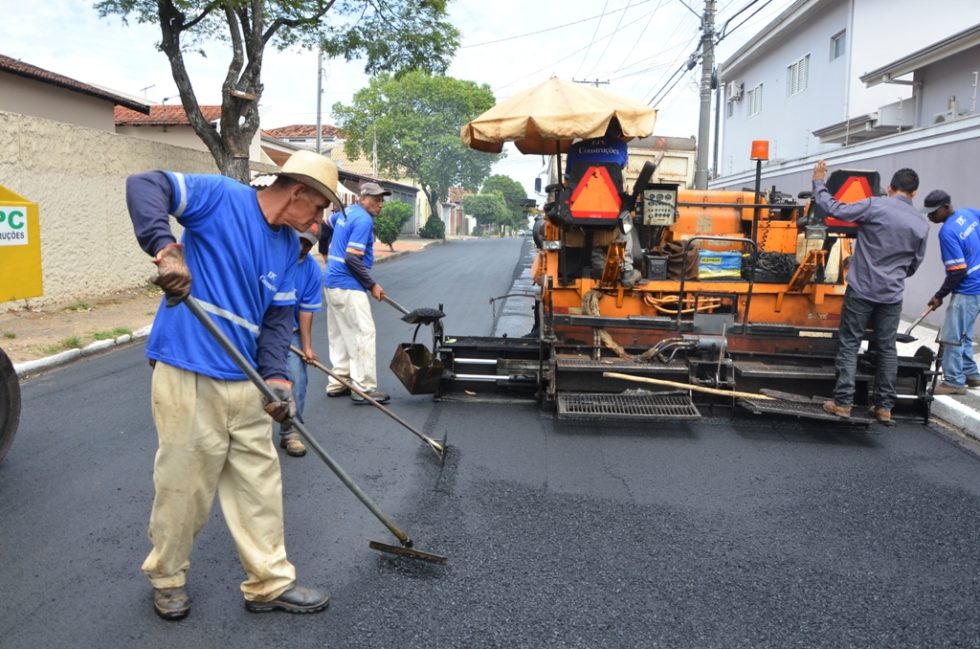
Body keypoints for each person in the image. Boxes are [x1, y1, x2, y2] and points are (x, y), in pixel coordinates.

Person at [126, 149, 337, 620]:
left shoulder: (287, 247)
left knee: (259, 485)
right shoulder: (221, 197)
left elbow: (279, 318)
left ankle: (269, 583)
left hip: (246, 380)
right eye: (320, 207)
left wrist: (278, 379)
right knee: (185, 486)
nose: (318, 219)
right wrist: (167, 249)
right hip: (188, 367)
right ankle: (167, 578)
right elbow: (145, 185)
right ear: (298, 191)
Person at [812, 160, 929, 424]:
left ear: (890, 188)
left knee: (850, 343)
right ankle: (884, 407)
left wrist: (819, 182)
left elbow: (834, 208)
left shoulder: (875, 205)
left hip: (862, 289)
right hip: (892, 294)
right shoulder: (921, 225)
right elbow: (914, 264)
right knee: (887, 349)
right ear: (914, 193)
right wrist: (895, 276)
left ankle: (843, 403)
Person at [320, 181, 391, 404]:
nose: (380, 204)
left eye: (382, 200)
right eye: (376, 200)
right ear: (363, 199)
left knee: (340, 333)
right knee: (363, 333)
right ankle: (364, 388)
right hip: (349, 285)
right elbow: (352, 258)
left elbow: (324, 225)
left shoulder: (346, 212)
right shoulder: (363, 220)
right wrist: (371, 285)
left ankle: (338, 381)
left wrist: (324, 253)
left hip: (332, 283)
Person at [565, 121, 642, 287]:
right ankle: (627, 270)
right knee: (626, 224)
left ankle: (571, 269)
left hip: (578, 214)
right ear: (615, 132)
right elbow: (617, 168)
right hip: (611, 213)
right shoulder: (620, 147)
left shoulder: (574, 149)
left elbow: (568, 180)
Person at [921, 190, 980, 395]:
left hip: (969, 288)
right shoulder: (968, 214)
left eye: (933, 213)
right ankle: (971, 374)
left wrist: (939, 295)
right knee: (964, 332)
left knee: (952, 336)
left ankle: (954, 381)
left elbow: (958, 271)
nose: (930, 217)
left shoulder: (947, 232)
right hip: (978, 286)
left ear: (946, 207)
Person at [278, 227, 324, 457]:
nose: (302, 247)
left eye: (308, 243)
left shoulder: (313, 270)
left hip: (291, 331)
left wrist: (306, 347)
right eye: (300, 241)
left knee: (297, 377)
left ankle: (291, 432)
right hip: (258, 328)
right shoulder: (272, 257)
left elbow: (306, 311)